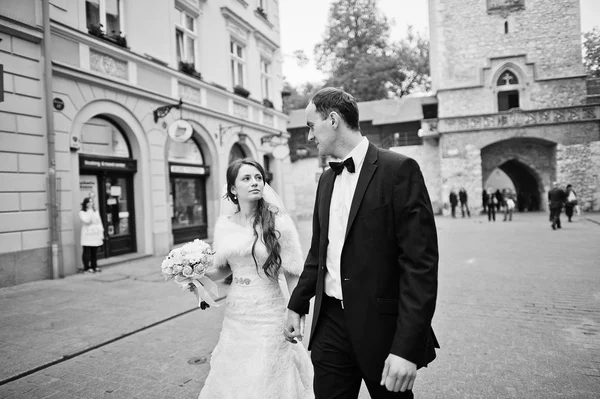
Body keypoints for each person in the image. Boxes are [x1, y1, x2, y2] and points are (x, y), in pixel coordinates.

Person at [285, 88, 439, 398]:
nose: (310, 136)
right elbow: (320, 251)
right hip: (329, 324)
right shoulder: (326, 180)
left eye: (311, 125)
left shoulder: (399, 170)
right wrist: (296, 305)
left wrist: (406, 349)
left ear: (332, 120)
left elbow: (419, 266)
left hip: (382, 328)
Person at [197, 159, 313, 399]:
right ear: (232, 189)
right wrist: (194, 274)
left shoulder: (279, 222)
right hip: (237, 313)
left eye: (258, 178)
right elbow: (224, 270)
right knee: (236, 375)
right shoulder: (224, 226)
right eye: (246, 178)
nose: (254, 183)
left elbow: (293, 272)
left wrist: (296, 311)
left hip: (270, 312)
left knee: (266, 375)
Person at [79, 197, 104, 273]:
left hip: (95, 233)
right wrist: (90, 211)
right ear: (85, 204)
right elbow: (87, 221)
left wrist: (101, 232)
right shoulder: (82, 212)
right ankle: (86, 268)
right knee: (87, 251)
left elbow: (99, 221)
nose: (90, 203)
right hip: (87, 234)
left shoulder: (95, 211)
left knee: (94, 251)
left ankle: (94, 266)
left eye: (91, 202)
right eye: (88, 202)